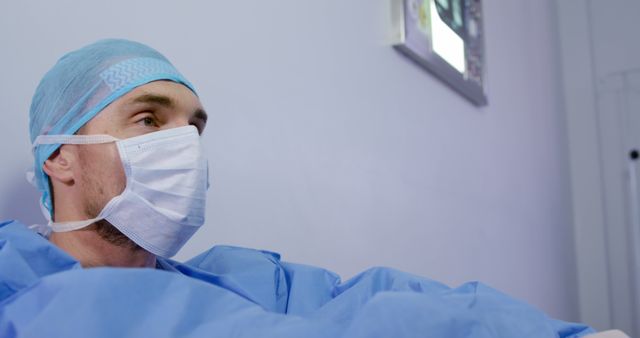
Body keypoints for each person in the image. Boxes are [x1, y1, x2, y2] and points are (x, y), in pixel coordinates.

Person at [0, 39, 595, 338]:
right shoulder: (18, 294)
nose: (184, 148)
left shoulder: (243, 280)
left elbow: (369, 300)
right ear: (61, 158)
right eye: (150, 121)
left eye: (195, 128)